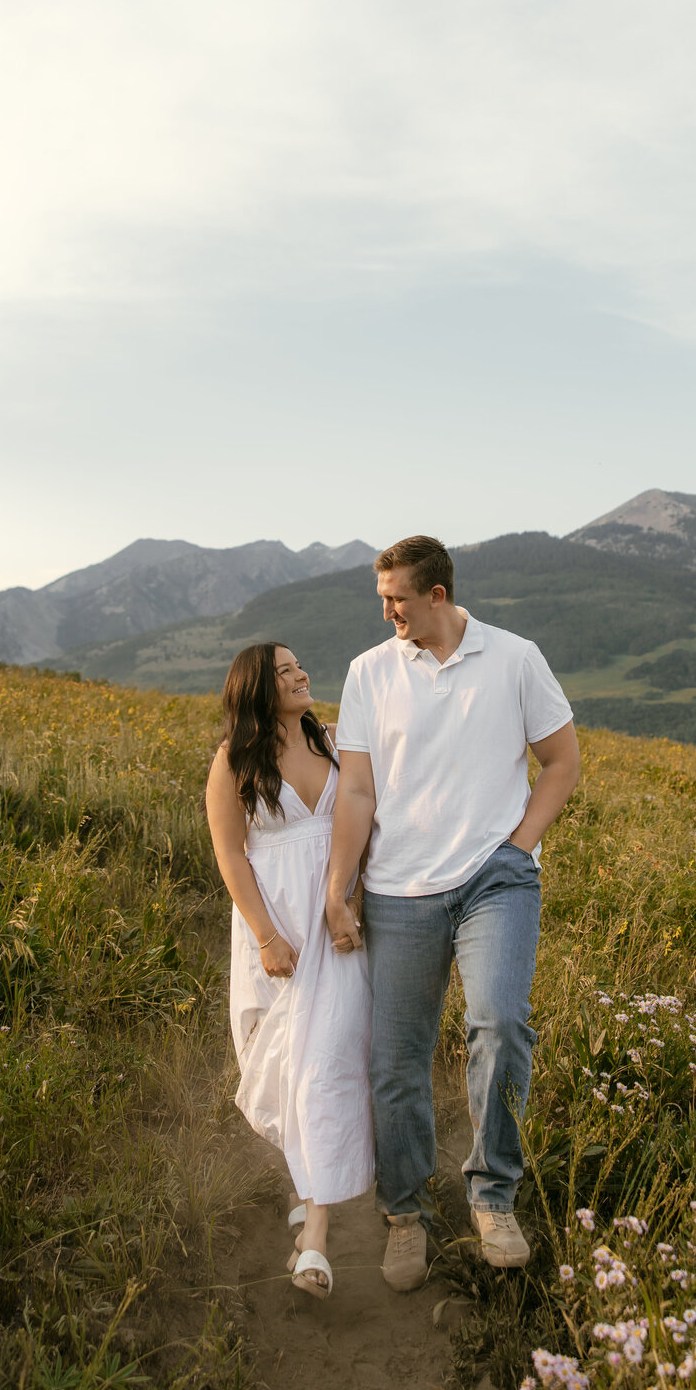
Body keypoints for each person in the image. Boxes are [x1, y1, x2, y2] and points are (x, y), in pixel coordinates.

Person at [324, 535, 581, 1292]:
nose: (387, 611)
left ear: (437, 594)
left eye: (398, 598)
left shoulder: (515, 658)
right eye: (383, 599)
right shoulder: (370, 672)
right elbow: (359, 793)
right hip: (398, 891)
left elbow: (562, 760)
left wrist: (518, 847)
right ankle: (406, 1215)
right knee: (394, 1062)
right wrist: (340, 887)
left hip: (492, 882)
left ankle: (492, 1195)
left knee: (500, 1023)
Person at [206, 642, 372, 1298]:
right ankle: (308, 1186)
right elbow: (231, 858)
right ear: (256, 689)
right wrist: (268, 938)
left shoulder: (334, 743)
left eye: (301, 663)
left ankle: (316, 1244)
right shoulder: (235, 762)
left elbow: (369, 825)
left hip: (335, 925)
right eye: (284, 671)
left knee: (325, 1069)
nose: (302, 673)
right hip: (276, 933)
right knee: (281, 1069)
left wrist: (353, 901)